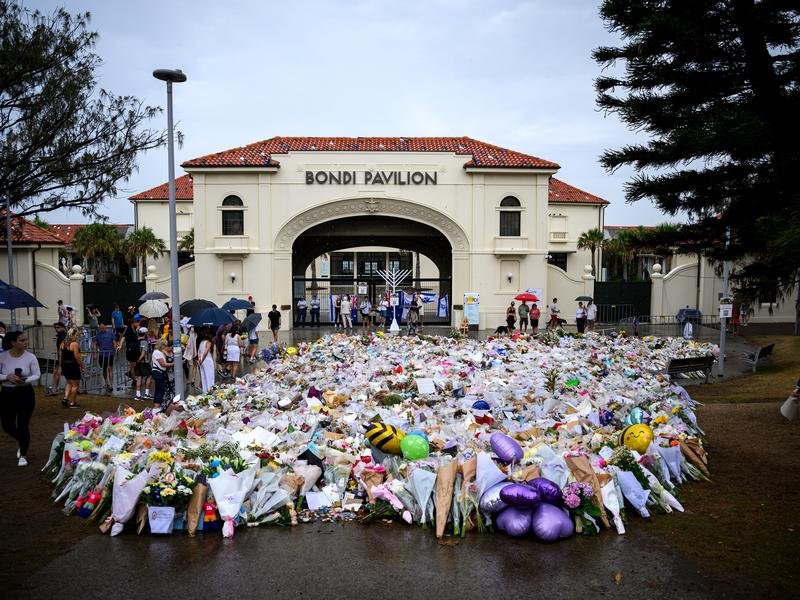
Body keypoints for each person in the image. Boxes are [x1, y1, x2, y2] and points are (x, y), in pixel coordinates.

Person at [0, 331, 40, 466]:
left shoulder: (31, 357)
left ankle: (23, 454)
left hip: (25, 392)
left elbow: (37, 374)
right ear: (13, 343)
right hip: (6, 393)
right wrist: (6, 377)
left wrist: (25, 380)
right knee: (7, 425)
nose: (25, 342)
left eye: (26, 340)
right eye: (22, 340)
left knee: (23, 424)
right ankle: (23, 440)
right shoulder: (3, 357)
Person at [59, 328, 83, 408]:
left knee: (69, 382)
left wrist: (60, 365)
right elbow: (77, 356)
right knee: (75, 385)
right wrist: (81, 366)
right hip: (72, 365)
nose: (77, 337)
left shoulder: (62, 343)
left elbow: (60, 356)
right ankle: (73, 403)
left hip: (64, 365)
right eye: (76, 335)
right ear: (71, 335)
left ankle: (65, 398)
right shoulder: (74, 344)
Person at [93, 321, 117, 392]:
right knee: (104, 369)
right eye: (100, 328)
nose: (101, 329)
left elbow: (114, 342)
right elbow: (95, 343)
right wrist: (94, 353)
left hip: (110, 354)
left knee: (110, 368)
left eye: (103, 328)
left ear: (105, 327)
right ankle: (106, 382)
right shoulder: (98, 334)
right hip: (101, 354)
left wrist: (115, 349)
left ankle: (110, 384)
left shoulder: (111, 333)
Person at [150, 339, 173, 408]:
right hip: (158, 372)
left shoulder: (159, 352)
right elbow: (163, 364)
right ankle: (156, 407)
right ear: (162, 345)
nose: (166, 347)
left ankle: (157, 406)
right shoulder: (157, 352)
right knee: (160, 390)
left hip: (159, 372)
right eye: (165, 345)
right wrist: (174, 363)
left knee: (159, 390)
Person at [47, 322, 68, 395]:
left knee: (57, 373)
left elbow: (62, 349)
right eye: (55, 328)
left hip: (64, 358)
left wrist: (60, 358)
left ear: (63, 327)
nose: (56, 329)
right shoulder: (61, 336)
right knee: (57, 373)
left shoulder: (63, 336)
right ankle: (55, 388)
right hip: (63, 357)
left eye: (58, 327)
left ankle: (54, 389)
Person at [120, 317, 141, 388]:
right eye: (136, 322)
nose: (138, 324)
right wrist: (120, 345)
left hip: (135, 349)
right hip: (131, 350)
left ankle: (134, 378)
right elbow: (124, 337)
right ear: (133, 323)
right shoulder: (129, 330)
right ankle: (134, 380)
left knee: (134, 365)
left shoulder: (134, 330)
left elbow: (135, 338)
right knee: (133, 365)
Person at [135, 326, 152, 400]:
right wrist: (139, 360)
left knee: (139, 377)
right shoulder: (144, 342)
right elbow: (143, 353)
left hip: (137, 362)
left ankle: (138, 395)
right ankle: (146, 393)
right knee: (149, 376)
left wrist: (136, 361)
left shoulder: (136, 341)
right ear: (145, 334)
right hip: (144, 362)